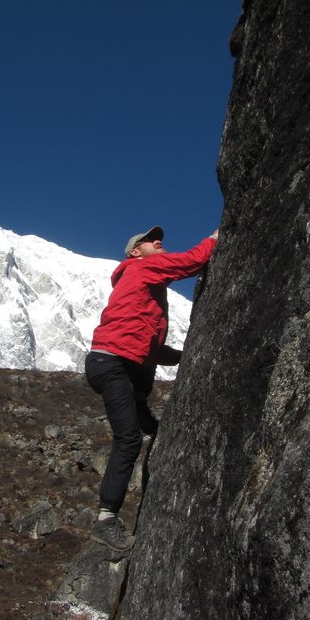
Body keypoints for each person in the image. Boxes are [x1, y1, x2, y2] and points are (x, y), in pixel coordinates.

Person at [85, 225, 219, 551]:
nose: (158, 242)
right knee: (128, 439)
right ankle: (105, 520)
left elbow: (149, 345)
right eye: (149, 241)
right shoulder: (144, 268)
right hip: (113, 364)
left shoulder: (139, 285)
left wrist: (187, 356)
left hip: (121, 366)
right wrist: (217, 237)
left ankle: (151, 429)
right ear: (135, 252)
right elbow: (191, 261)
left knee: (150, 425)